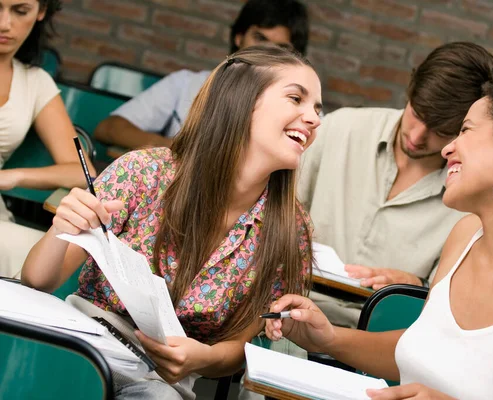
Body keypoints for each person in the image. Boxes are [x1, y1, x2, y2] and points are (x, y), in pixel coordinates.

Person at [266, 68, 493, 400]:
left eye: (466, 130)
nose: (447, 149)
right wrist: (328, 338)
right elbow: (423, 351)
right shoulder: (465, 235)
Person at [21, 45, 322, 400]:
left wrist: (204, 358)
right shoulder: (143, 172)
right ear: (243, 100)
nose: (314, 118)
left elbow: (239, 345)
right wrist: (63, 226)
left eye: (318, 109)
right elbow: (37, 279)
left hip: (159, 383)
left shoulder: (291, 230)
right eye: (296, 99)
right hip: (83, 347)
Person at [299, 42, 493, 328]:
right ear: (410, 89)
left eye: (440, 131)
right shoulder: (340, 130)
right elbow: (268, 212)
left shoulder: (471, 197)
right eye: (417, 113)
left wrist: (415, 286)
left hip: (378, 345)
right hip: (289, 313)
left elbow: (451, 308)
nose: (418, 136)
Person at [93, 0, 309, 150]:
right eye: (259, 38)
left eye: (279, 47)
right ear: (239, 37)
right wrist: (177, 147)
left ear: (293, 55)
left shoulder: (305, 111)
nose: (266, 52)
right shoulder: (186, 84)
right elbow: (109, 128)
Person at [0, 0, 94, 279]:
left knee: (51, 263)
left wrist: (12, 176)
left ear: (40, 12)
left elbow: (83, 170)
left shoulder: (35, 82)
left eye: (20, 11)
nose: (4, 24)